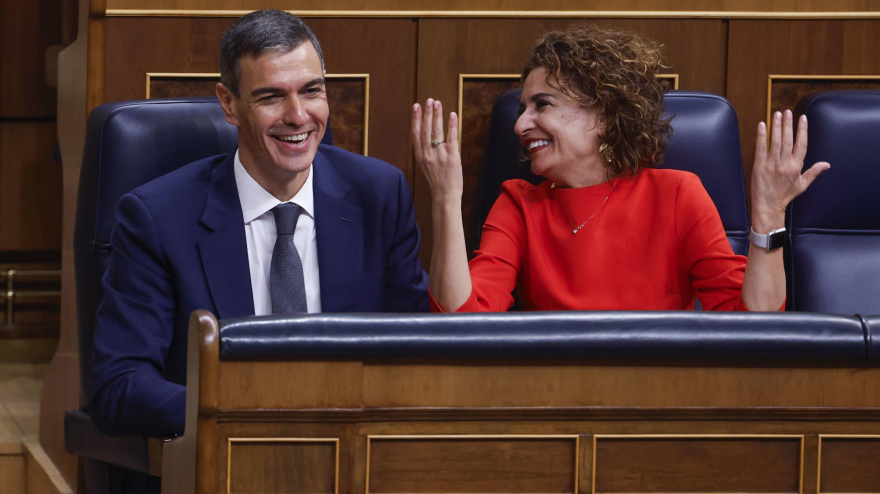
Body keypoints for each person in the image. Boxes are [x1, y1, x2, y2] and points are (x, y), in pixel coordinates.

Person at [90, 9, 429, 443]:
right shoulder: (157, 218)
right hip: (225, 462)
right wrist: (247, 416)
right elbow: (120, 385)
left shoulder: (380, 195)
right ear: (229, 104)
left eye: (312, 91)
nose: (298, 116)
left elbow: (416, 355)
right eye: (271, 97)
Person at [413, 25, 829, 313]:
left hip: (657, 404)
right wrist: (447, 199)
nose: (520, 124)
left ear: (606, 116)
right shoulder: (519, 203)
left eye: (543, 105)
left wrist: (770, 216)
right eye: (522, 108)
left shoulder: (678, 195)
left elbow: (753, 323)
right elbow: (461, 317)